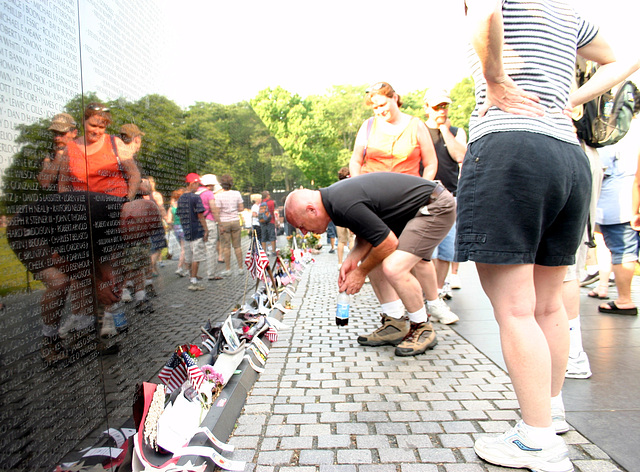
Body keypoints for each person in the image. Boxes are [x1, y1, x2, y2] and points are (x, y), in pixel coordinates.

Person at [457, 1, 639, 470]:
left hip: (510, 144)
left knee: (516, 308)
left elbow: (483, 16)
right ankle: (550, 412)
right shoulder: (565, 10)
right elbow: (624, 58)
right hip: (566, 155)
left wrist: (494, 78)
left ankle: (536, 440)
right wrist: (572, 101)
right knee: (549, 304)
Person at [285, 172, 455, 357]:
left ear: (312, 210)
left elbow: (388, 243)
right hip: (416, 211)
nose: (303, 233)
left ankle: (422, 327)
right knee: (372, 261)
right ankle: (395, 322)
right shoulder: (335, 202)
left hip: (435, 206)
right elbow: (369, 235)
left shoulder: (342, 203)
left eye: (301, 225)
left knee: (394, 267)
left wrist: (360, 273)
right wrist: (353, 259)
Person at [8, 192, 162, 364]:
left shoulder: (119, 216)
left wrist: (108, 278)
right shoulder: (93, 215)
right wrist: (98, 285)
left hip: (60, 238)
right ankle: (50, 344)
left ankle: (85, 338)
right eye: (143, 233)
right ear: (130, 221)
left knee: (92, 280)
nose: (143, 239)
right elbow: (60, 259)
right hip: (28, 232)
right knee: (59, 282)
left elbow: (99, 254)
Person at [349, 82, 458, 325]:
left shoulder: (415, 125)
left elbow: (430, 164)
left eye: (383, 104)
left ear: (394, 98)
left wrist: (423, 191)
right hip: (374, 202)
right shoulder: (367, 127)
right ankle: (394, 314)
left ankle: (434, 302)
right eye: (375, 107)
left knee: (417, 255)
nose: (379, 110)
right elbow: (355, 161)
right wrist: (357, 187)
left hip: (408, 200)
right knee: (376, 252)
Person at [423, 88, 468, 302]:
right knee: (428, 249)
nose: (441, 110)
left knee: (447, 250)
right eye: (436, 106)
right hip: (425, 197)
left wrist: (444, 129)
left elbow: (460, 155)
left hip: (451, 196)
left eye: (444, 106)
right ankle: (429, 291)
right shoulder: (419, 130)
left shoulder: (456, 131)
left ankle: (439, 290)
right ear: (426, 108)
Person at [595, 131, 640, 316]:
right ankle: (607, 288)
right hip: (623, 201)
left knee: (623, 250)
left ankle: (624, 300)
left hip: (620, 202)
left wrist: (634, 210)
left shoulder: (616, 135)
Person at [57, 103, 141, 201]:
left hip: (113, 204)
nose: (96, 131)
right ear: (83, 122)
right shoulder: (70, 148)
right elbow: (63, 185)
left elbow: (134, 175)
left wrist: (127, 201)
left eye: (101, 127)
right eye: (93, 125)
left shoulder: (115, 143)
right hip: (84, 207)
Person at [176, 173, 209, 291]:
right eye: (197, 184)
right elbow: (200, 215)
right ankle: (194, 281)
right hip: (196, 230)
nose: (198, 187)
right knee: (197, 256)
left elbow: (179, 215)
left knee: (189, 256)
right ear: (192, 183)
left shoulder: (181, 198)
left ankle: (192, 275)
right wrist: (206, 229)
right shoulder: (195, 198)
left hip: (186, 230)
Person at [37, 113, 78, 191]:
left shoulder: (83, 150)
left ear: (74, 133)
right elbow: (44, 182)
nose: (57, 138)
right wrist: (59, 157)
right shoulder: (50, 155)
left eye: (62, 134)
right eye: (55, 134)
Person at [214, 174, 245, 277]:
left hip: (224, 222)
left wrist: (220, 224)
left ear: (222, 184)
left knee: (226, 247)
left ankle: (228, 269)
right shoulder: (237, 193)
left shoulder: (218, 196)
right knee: (237, 246)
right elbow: (241, 208)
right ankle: (240, 268)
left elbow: (217, 211)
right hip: (235, 221)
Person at [198, 174, 221, 281]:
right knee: (211, 247)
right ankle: (211, 273)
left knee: (197, 248)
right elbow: (213, 208)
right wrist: (219, 222)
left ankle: (193, 273)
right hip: (209, 221)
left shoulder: (196, 192)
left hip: (198, 221)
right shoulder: (209, 194)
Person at [335, 167, 355, 268]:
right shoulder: (352, 187)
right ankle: (354, 263)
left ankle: (339, 263)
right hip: (350, 215)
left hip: (339, 216)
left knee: (341, 241)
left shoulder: (336, 188)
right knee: (351, 240)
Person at [167, 188, 188, 277]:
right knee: (184, 249)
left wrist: (172, 225)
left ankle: (187, 269)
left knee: (184, 249)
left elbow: (168, 220)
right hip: (183, 227)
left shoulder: (172, 207)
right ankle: (179, 268)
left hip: (176, 229)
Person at [260, 190, 277, 255]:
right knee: (272, 236)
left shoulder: (261, 202)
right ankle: (273, 251)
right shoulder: (271, 202)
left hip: (262, 221)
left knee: (263, 236)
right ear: (267, 195)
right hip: (270, 221)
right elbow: (272, 212)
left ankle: (264, 252)